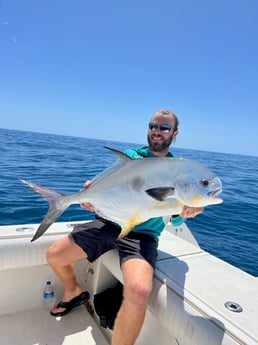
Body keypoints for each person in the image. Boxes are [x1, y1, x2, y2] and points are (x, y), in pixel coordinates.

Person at [46, 109, 203, 345]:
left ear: (175, 133)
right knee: (54, 255)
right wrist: (89, 193)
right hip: (109, 222)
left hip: (142, 236)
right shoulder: (131, 156)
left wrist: (187, 211)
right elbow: (100, 184)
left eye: (164, 128)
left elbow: (176, 218)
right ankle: (73, 291)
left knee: (139, 293)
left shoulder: (177, 170)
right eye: (153, 126)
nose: (157, 132)